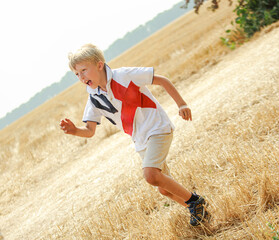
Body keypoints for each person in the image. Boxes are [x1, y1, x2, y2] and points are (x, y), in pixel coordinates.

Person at [60, 43, 209, 226]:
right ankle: (199, 213)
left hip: (157, 127)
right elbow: (90, 131)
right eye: (77, 74)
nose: (81, 77)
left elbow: (162, 80)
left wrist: (182, 104)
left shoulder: (125, 75)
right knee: (164, 189)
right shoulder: (94, 98)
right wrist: (74, 130)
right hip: (140, 139)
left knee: (151, 176)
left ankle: (195, 201)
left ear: (99, 65)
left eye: (84, 70)